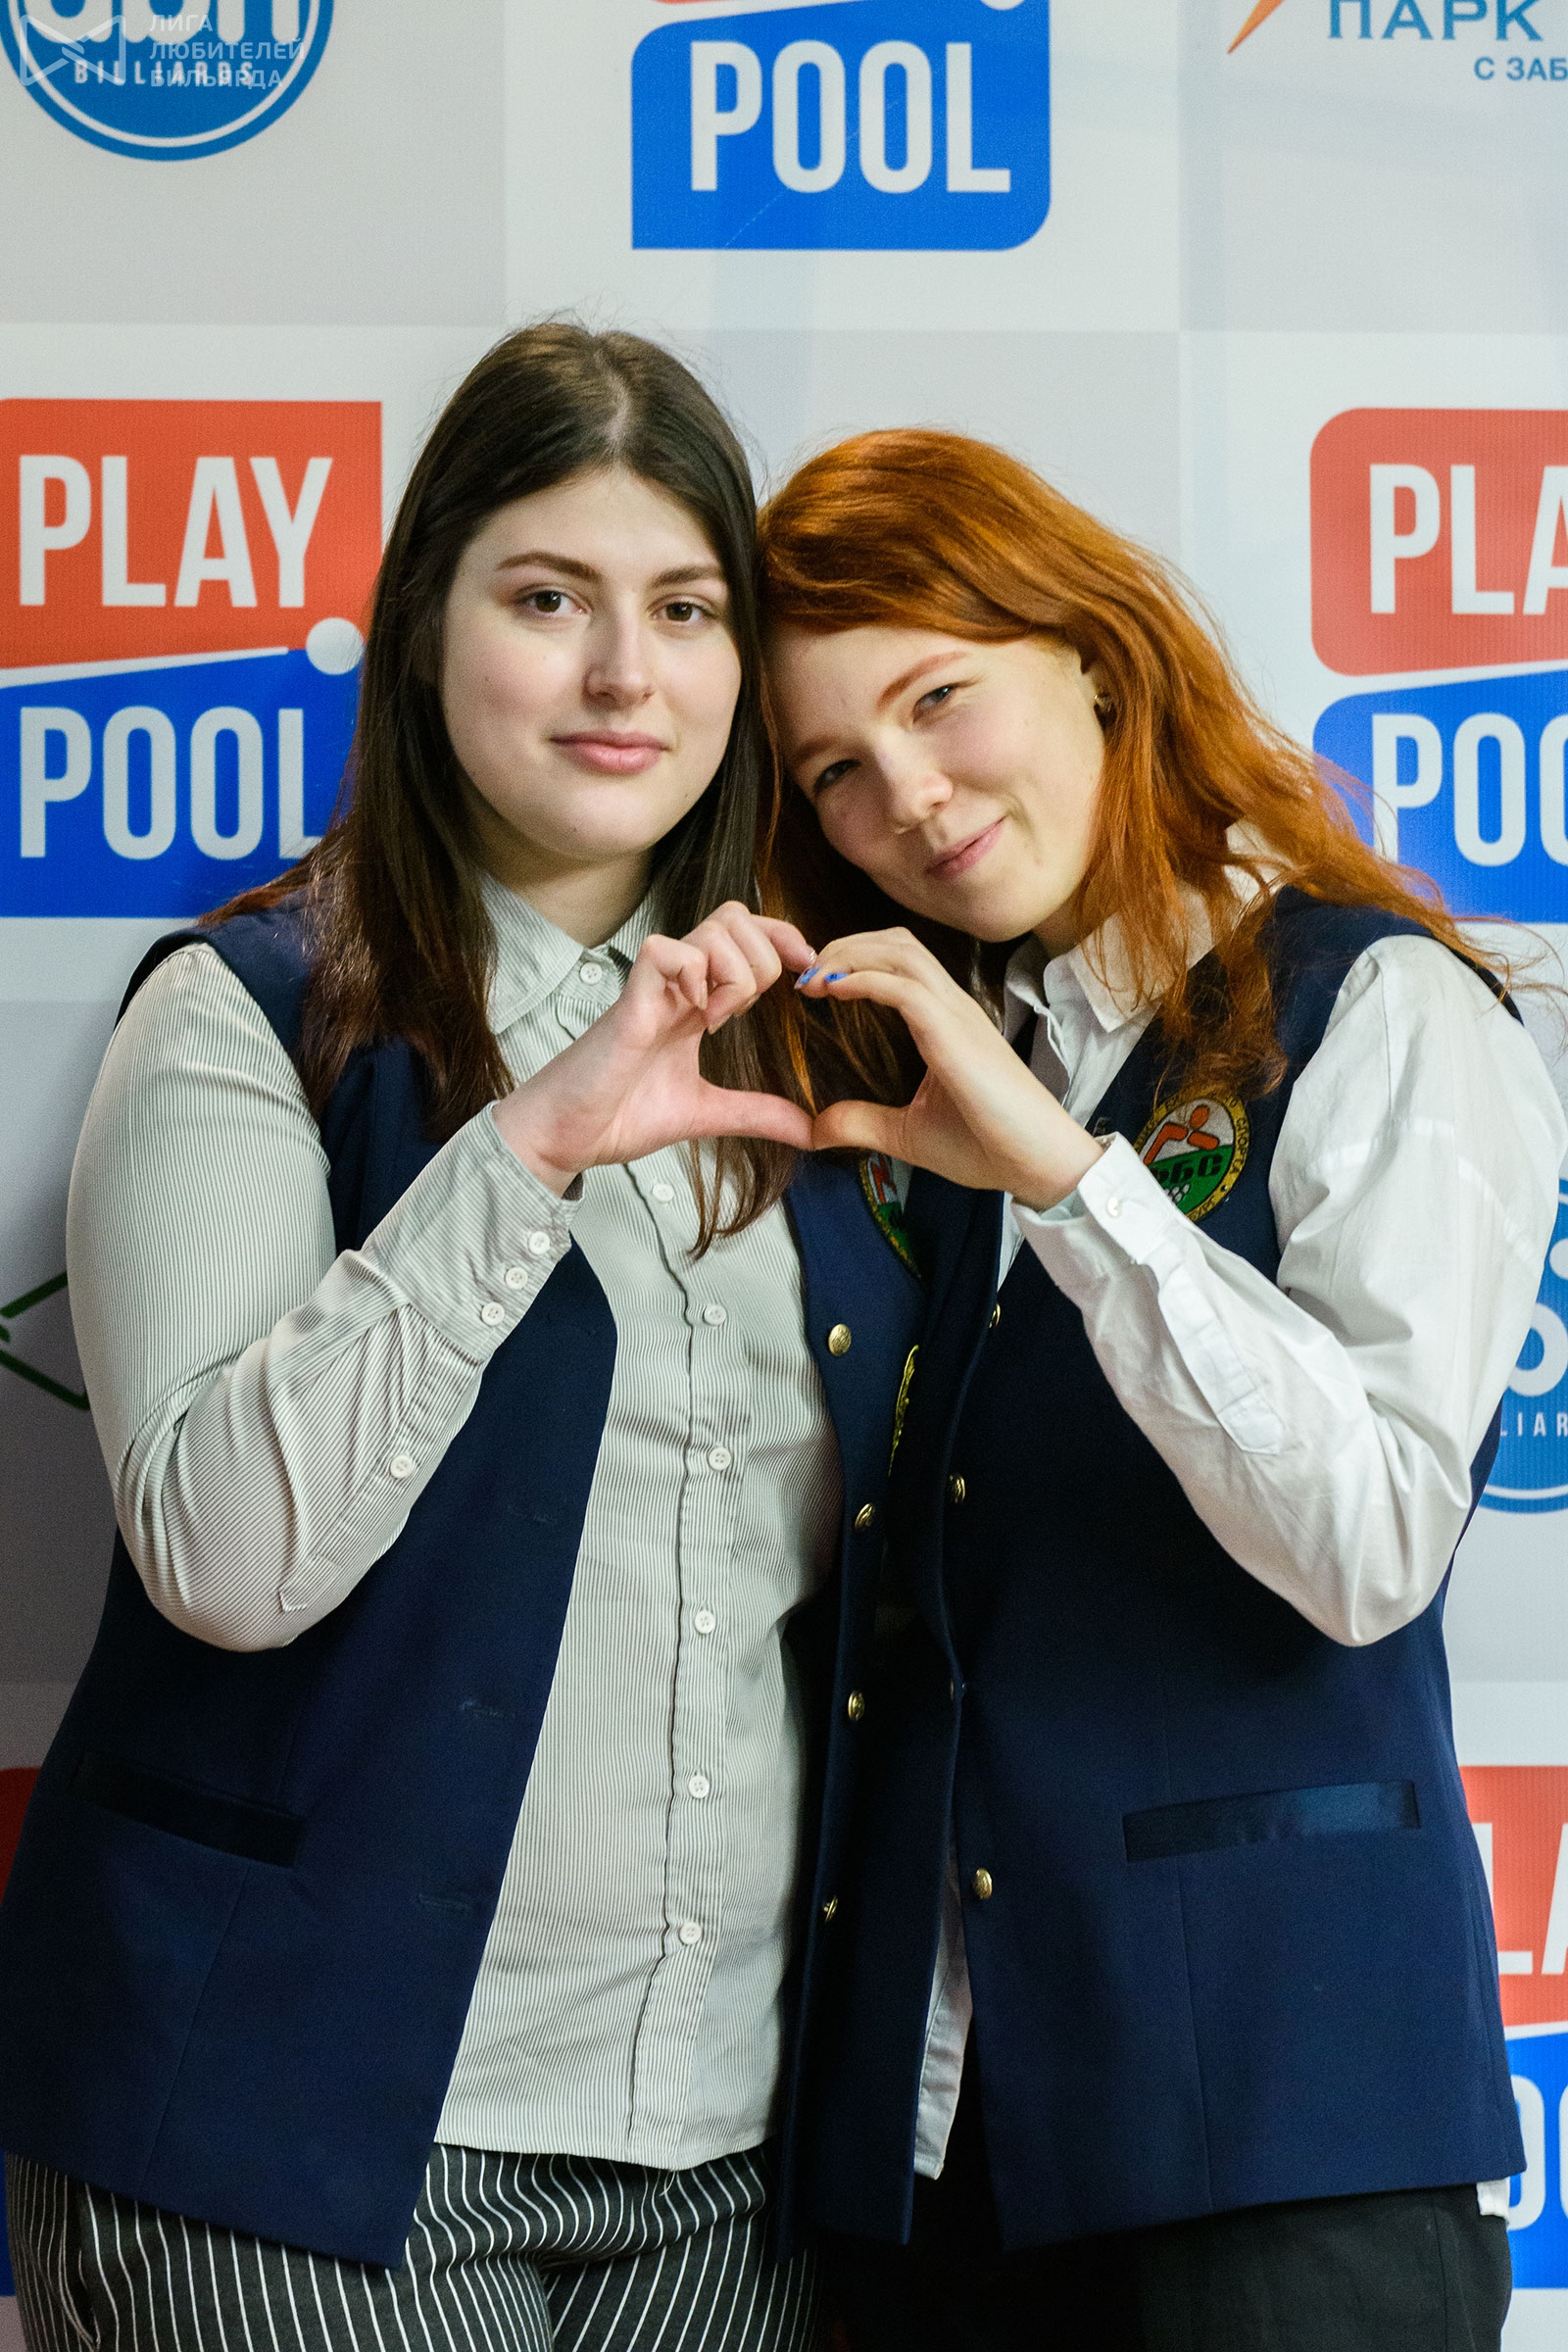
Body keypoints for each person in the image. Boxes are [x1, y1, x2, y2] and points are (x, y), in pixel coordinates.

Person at [0, 329, 926, 2352]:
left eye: (685, 610)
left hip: (722, 2153)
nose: (624, 676)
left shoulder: (830, 1056)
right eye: (548, 599)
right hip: (291, 2129)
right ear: (424, 624)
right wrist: (526, 1150)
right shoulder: (251, 1015)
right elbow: (227, 1562)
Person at [756, 429, 1568, 2351]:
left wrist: (1074, 1187)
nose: (907, 800)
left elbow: (1370, 1542)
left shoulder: (1378, 1003)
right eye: (834, 771)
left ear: (1094, 657)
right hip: (935, 2155)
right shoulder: (942, 1075)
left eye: (936, 698)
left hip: (1285, 2145)